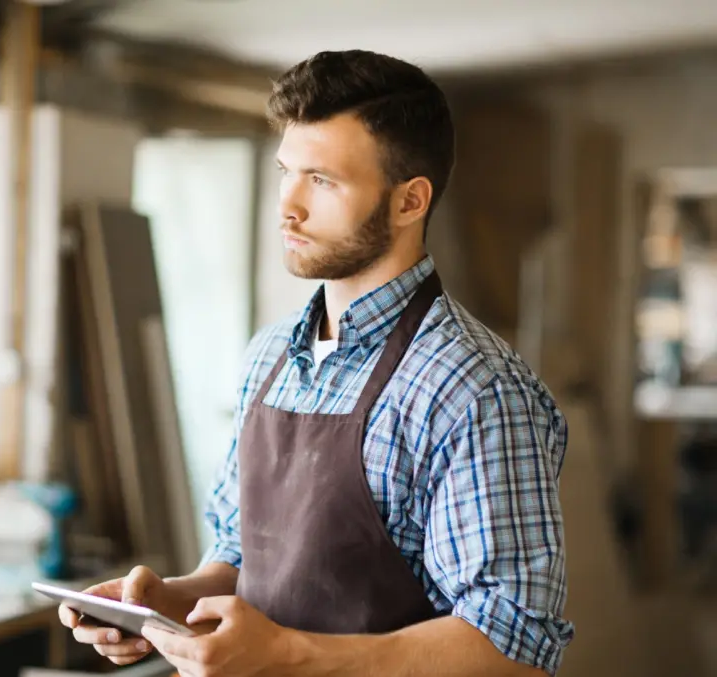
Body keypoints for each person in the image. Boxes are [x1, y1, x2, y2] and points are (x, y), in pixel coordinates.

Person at [58, 49, 574, 677]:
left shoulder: (473, 389)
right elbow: (242, 558)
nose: (288, 207)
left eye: (322, 181)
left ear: (410, 201)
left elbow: (513, 647)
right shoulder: (270, 356)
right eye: (286, 172)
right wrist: (166, 604)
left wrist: (288, 654)